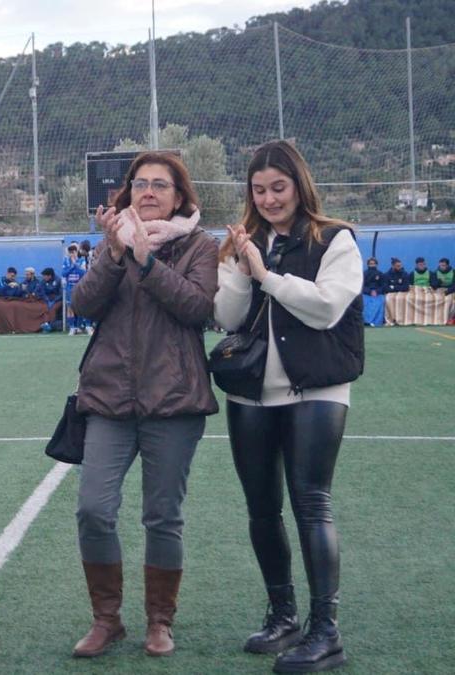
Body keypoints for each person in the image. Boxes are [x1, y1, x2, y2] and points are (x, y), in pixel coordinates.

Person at [215, 140, 362, 673]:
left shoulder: (335, 238)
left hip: (317, 390)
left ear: (299, 184)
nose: (270, 198)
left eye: (279, 187)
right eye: (259, 190)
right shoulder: (244, 241)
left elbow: (325, 309)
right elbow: (228, 318)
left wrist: (267, 275)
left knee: (311, 502)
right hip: (250, 392)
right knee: (261, 508)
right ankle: (283, 615)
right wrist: (236, 268)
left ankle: (327, 632)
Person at [71, 151, 219, 660]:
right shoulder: (109, 245)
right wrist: (114, 256)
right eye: (140, 184)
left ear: (180, 196)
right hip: (108, 398)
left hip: (174, 399)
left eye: (161, 184)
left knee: (162, 517)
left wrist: (144, 260)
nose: (149, 192)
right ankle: (106, 620)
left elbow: (198, 307)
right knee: (93, 509)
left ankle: (160, 621)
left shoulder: (200, 245)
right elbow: (83, 305)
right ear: (127, 192)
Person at [361, 258, 385, 326]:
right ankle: (366, 321)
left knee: (379, 302)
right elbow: (361, 285)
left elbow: (383, 286)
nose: (372, 265)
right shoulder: (363, 274)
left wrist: (377, 291)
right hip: (366, 293)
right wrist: (369, 291)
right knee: (365, 302)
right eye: (371, 264)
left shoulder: (380, 274)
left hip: (378, 294)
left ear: (376, 264)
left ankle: (376, 322)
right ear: (368, 264)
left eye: (374, 263)